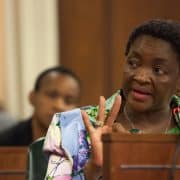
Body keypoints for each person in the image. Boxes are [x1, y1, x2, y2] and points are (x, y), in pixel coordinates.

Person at [42, 19, 180, 180]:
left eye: (158, 70)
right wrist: (94, 170)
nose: (141, 77)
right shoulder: (70, 127)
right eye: (133, 63)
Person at [0, 66, 81, 146]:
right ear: (32, 97)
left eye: (69, 100)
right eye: (52, 95)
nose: (59, 106)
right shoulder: (6, 144)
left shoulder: (82, 146)